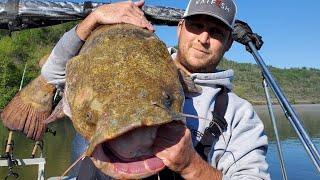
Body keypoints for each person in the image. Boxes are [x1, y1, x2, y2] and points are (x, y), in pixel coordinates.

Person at [41, 0, 270, 179]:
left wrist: (192, 166)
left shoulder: (238, 113)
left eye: (216, 32)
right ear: (180, 28)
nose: (203, 38)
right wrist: (92, 21)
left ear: (229, 41)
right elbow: (53, 75)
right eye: (196, 26)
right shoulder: (126, 63)